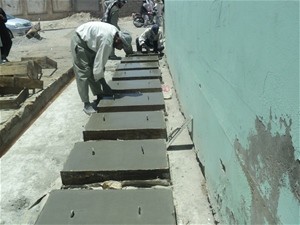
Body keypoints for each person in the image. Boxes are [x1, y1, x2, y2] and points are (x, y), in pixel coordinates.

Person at [71, 21, 133, 115]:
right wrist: (104, 84)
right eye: (121, 46)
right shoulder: (107, 41)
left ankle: (99, 95)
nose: (120, 49)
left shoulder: (115, 33)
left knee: (94, 70)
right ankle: (86, 104)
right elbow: (99, 65)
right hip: (80, 41)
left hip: (89, 42)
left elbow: (97, 67)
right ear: (118, 40)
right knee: (84, 72)